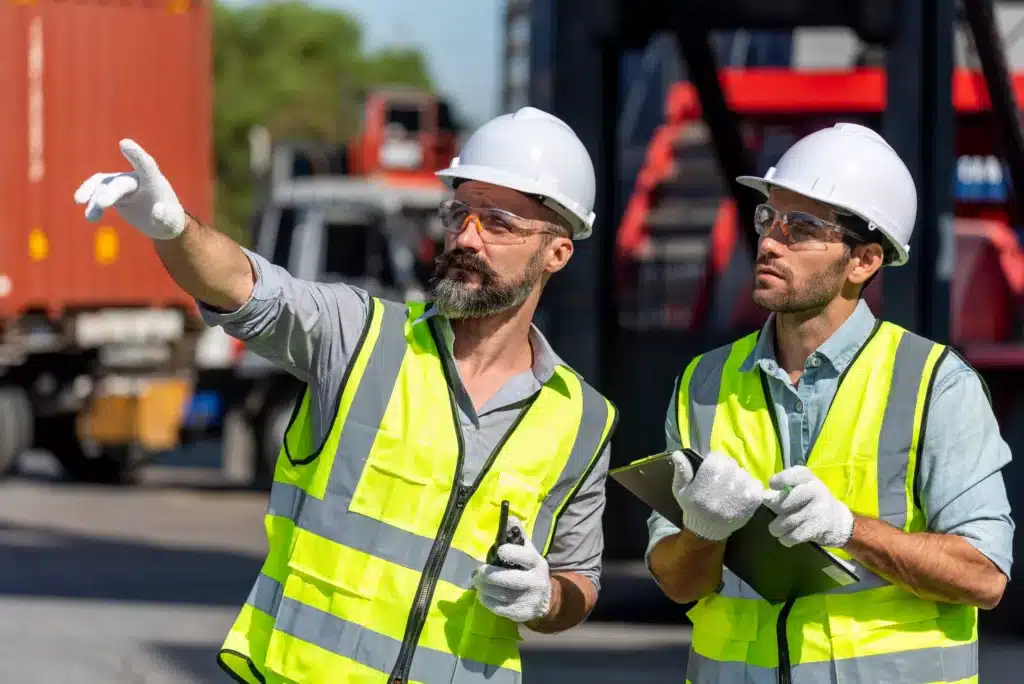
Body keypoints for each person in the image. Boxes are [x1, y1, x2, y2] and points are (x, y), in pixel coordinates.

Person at [75, 106, 618, 684]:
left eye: (499, 223)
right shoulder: (361, 336)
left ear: (557, 252)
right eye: (460, 213)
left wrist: (544, 601)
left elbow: (579, 579)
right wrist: (174, 229)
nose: (466, 237)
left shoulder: (582, 418)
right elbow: (244, 286)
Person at [645, 123, 1013, 684]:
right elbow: (676, 583)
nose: (769, 241)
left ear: (863, 261)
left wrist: (848, 529)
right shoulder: (704, 381)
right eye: (768, 218)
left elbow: (984, 577)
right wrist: (704, 530)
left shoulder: (935, 384)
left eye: (801, 229)